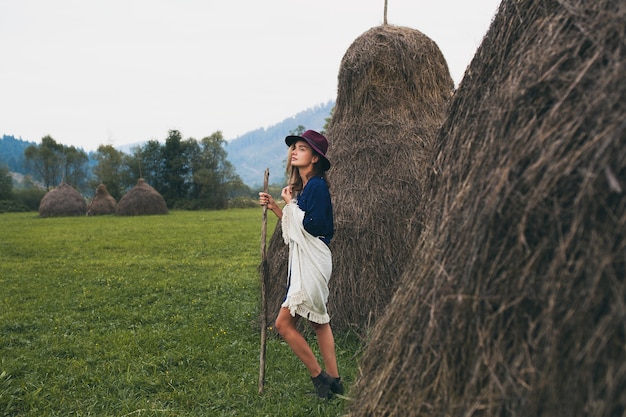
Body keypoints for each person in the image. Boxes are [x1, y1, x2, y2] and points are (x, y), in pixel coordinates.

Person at [259, 129, 343, 399]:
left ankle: (320, 379)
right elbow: (297, 228)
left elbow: (312, 225)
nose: (294, 151)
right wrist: (276, 206)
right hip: (310, 259)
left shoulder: (317, 186)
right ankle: (336, 381)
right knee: (320, 322)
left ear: (315, 158)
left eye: (302, 148)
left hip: (314, 260)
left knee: (283, 324)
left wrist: (291, 204)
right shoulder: (309, 187)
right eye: (293, 147)